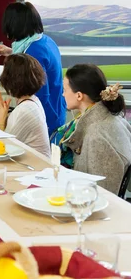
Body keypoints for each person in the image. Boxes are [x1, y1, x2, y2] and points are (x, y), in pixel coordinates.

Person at [51, 64, 131, 195]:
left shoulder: (96, 135)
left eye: (65, 89)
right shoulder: (110, 117)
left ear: (79, 96)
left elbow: (102, 192)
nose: (63, 94)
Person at [0, 2, 67, 136]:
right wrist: (11, 52)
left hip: (46, 118)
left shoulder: (35, 51)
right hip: (57, 110)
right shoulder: (45, 40)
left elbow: (40, 94)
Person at [0, 54, 50, 157]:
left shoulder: (25, 110)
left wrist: (0, 121)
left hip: (35, 168)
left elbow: (4, 149)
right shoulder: (33, 100)